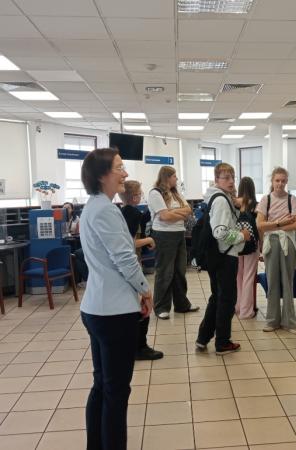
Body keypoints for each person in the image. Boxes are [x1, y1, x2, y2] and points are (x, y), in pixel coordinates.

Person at [79, 148, 153, 450]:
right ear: (102, 175)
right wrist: (145, 289)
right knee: (116, 391)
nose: (125, 173)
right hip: (113, 313)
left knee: (102, 385)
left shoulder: (93, 207)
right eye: (119, 168)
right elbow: (124, 258)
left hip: (96, 308)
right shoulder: (106, 211)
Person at [196, 163, 251, 355]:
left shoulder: (220, 197)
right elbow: (220, 232)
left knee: (217, 298)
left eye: (233, 177)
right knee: (226, 301)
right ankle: (222, 342)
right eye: (226, 177)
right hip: (225, 257)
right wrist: (242, 236)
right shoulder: (220, 200)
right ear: (216, 180)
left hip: (217, 257)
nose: (231, 181)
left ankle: (203, 338)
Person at [119, 180, 163, 361]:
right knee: (143, 308)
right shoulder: (133, 213)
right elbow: (129, 243)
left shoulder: (120, 211)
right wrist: (149, 240)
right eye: (140, 193)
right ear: (134, 196)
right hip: (132, 264)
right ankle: (140, 347)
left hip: (124, 267)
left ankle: (132, 346)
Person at [148, 166, 199, 319]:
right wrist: (177, 213)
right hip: (163, 235)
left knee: (179, 271)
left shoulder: (176, 193)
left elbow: (189, 210)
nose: (176, 179)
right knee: (165, 272)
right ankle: (161, 307)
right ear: (167, 177)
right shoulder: (155, 193)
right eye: (174, 176)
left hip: (179, 234)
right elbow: (164, 217)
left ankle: (182, 304)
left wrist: (172, 212)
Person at [256, 167, 296, 334]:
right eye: (277, 180)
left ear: (286, 182)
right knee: (272, 281)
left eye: (283, 181)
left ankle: (289, 322)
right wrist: (281, 223)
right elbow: (259, 224)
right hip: (271, 242)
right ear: (272, 181)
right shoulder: (265, 200)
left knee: (287, 282)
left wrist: (273, 225)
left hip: (287, 241)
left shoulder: (292, 199)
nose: (280, 184)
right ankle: (272, 321)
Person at [235, 177, 260, 320]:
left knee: (238, 276)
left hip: (236, 242)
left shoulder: (234, 203)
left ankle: (238, 307)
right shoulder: (256, 205)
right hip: (252, 244)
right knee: (249, 276)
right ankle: (246, 311)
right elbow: (259, 227)